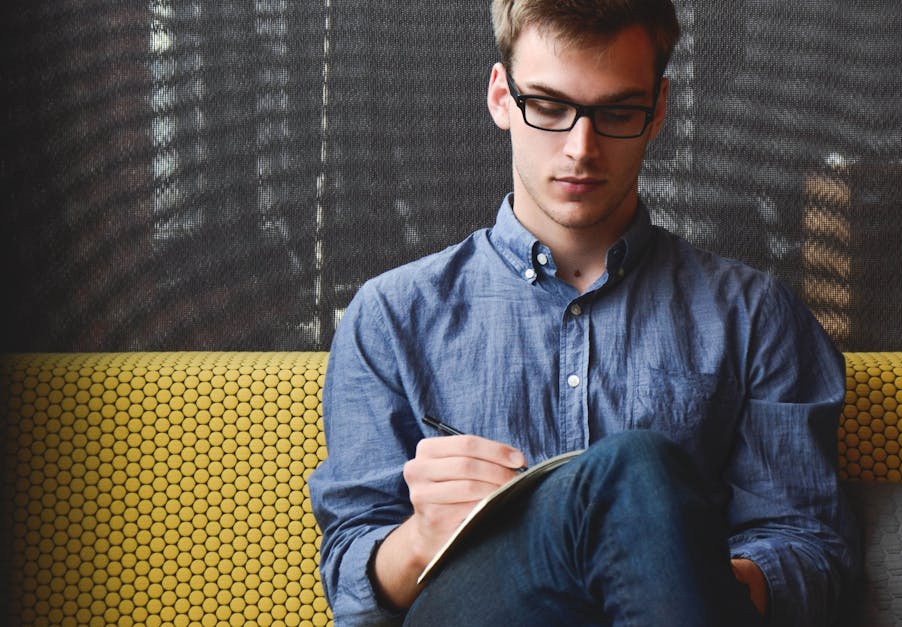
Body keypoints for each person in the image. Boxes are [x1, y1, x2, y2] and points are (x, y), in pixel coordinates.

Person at [308, 0, 856, 624]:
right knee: (635, 469)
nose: (580, 148)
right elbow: (352, 579)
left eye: (618, 112)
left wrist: (662, 562)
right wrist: (421, 537)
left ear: (658, 112)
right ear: (501, 98)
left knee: (634, 475)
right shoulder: (393, 316)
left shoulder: (756, 318)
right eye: (548, 107)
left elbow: (812, 552)